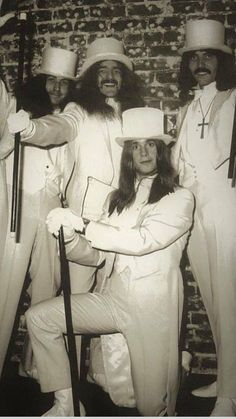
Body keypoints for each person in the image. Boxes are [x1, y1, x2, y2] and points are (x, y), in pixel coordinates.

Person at [25, 107, 194, 417]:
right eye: (135, 146)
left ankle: (177, 366)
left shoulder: (179, 197)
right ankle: (67, 403)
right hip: (113, 300)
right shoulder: (117, 199)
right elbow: (98, 255)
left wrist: (84, 225)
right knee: (40, 318)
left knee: (152, 406)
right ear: (127, 154)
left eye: (150, 144)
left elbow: (143, 241)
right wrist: (69, 238)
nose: (143, 151)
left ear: (162, 150)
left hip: (153, 309)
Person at [7, 37, 145, 407]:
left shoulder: (134, 115)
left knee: (115, 305)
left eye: (117, 70)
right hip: (85, 226)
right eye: (102, 71)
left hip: (127, 226)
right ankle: (65, 397)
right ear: (91, 79)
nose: (110, 77)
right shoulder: (79, 110)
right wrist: (31, 129)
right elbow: (58, 126)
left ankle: (107, 378)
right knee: (72, 310)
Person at [0, 45, 78, 379]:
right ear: (40, 79)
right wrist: (15, 127)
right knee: (6, 286)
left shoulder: (73, 113)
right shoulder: (17, 105)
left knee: (48, 287)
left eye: (63, 82)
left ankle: (35, 365)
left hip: (52, 208)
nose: (56, 89)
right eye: (50, 81)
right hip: (19, 202)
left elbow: (55, 130)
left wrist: (30, 128)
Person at [172, 18, 236, 416]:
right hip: (196, 213)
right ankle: (231, 377)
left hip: (229, 209)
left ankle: (229, 396)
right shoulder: (186, 109)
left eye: (208, 56)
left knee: (230, 298)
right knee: (214, 300)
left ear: (221, 62)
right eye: (194, 57)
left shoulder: (234, 99)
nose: (200, 63)